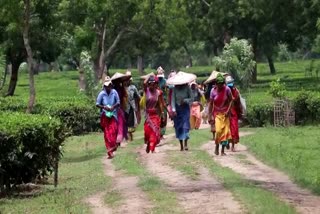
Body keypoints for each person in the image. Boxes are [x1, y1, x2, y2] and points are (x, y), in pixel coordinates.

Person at [208, 73, 233, 156]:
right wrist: (209, 115)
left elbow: (231, 101)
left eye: (222, 84)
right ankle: (216, 146)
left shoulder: (227, 90)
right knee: (218, 131)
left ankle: (222, 151)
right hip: (217, 114)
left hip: (225, 114)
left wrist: (228, 110)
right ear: (216, 83)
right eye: (219, 84)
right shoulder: (213, 91)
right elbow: (211, 104)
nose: (220, 85)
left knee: (225, 133)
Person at [96, 76, 120, 159]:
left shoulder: (114, 92)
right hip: (105, 115)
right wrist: (104, 107)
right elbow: (97, 104)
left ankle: (113, 146)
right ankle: (109, 151)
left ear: (111, 85)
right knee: (107, 133)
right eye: (106, 86)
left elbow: (118, 102)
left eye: (109, 85)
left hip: (113, 114)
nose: (108, 87)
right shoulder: (102, 94)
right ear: (104, 86)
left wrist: (113, 107)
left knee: (114, 130)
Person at [140, 75, 166, 153]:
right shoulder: (146, 90)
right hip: (148, 115)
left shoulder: (158, 92)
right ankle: (149, 143)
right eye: (150, 84)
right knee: (147, 131)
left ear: (156, 84)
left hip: (155, 114)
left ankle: (152, 148)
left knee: (155, 131)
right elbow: (144, 83)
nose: (152, 85)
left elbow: (160, 104)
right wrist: (149, 76)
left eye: (153, 83)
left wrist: (162, 113)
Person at [171, 83, 193, 151]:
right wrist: (173, 109)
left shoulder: (187, 88)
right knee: (179, 127)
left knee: (185, 126)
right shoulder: (174, 89)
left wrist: (185, 100)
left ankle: (185, 143)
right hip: (177, 109)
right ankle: (181, 145)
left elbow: (192, 98)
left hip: (185, 109)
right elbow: (173, 100)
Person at [226, 75, 243, 152]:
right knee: (226, 129)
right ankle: (226, 142)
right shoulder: (224, 91)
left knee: (234, 129)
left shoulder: (236, 91)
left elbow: (238, 103)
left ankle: (232, 145)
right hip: (225, 113)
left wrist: (240, 113)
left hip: (233, 113)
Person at [124, 71, 141, 141]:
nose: (128, 81)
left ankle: (130, 137)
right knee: (125, 122)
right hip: (124, 107)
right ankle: (127, 137)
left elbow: (138, 96)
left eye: (129, 80)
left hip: (131, 107)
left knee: (130, 123)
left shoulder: (133, 87)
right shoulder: (123, 88)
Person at [157, 66, 168, 139]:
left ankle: (162, 133)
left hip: (163, 100)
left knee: (164, 117)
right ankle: (157, 133)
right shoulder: (155, 81)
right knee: (157, 117)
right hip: (156, 101)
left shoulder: (165, 81)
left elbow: (167, 91)